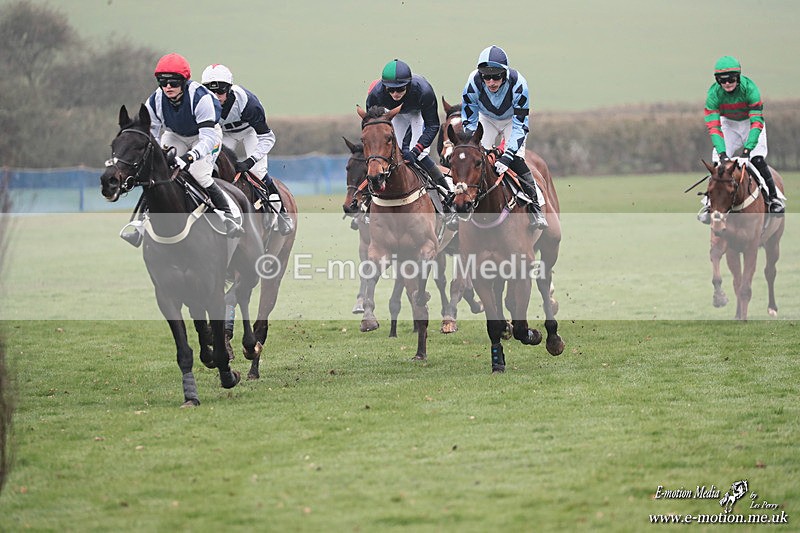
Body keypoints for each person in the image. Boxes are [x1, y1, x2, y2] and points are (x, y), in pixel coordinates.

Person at [144, 53, 243, 236]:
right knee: (158, 172)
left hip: (205, 135)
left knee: (199, 173)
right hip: (175, 135)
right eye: (163, 82)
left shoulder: (201, 98)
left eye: (173, 82)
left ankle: (230, 216)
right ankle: (142, 220)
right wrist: (158, 158)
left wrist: (188, 158)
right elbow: (153, 134)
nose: (167, 87)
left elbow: (207, 139)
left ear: (184, 81)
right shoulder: (155, 99)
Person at [461, 45, 547, 229]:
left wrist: (507, 156)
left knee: (516, 159)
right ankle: (458, 204)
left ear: (505, 74)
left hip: (512, 122)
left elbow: (520, 125)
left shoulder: (519, 84)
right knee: (472, 157)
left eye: (496, 77)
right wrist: (471, 143)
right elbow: (469, 119)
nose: (491, 82)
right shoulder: (472, 82)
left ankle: (535, 206)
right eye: (486, 77)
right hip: (486, 120)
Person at [201, 64, 293, 235]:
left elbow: (268, 137)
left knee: (258, 171)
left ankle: (282, 214)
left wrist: (250, 161)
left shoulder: (249, 104)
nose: (215, 96)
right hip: (223, 133)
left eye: (220, 91)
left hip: (249, 131)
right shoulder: (200, 103)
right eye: (209, 91)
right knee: (211, 170)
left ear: (228, 89)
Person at [699, 55, 784, 224]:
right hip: (728, 124)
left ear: (738, 77)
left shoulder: (750, 89)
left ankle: (774, 199)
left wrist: (747, 150)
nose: (727, 84)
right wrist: (722, 153)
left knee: (757, 159)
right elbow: (714, 127)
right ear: (717, 81)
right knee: (718, 164)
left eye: (731, 79)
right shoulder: (713, 94)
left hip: (751, 124)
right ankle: (709, 205)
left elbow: (756, 121)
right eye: (722, 81)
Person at [365, 59, 453, 211]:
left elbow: (433, 125)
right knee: (389, 154)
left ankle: (446, 192)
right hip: (394, 115)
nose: (395, 94)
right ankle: (366, 199)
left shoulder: (424, 91)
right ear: (384, 87)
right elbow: (369, 127)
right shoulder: (375, 95)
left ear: (409, 84)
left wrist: (417, 150)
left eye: (400, 89)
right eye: (391, 90)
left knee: (418, 155)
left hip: (416, 114)